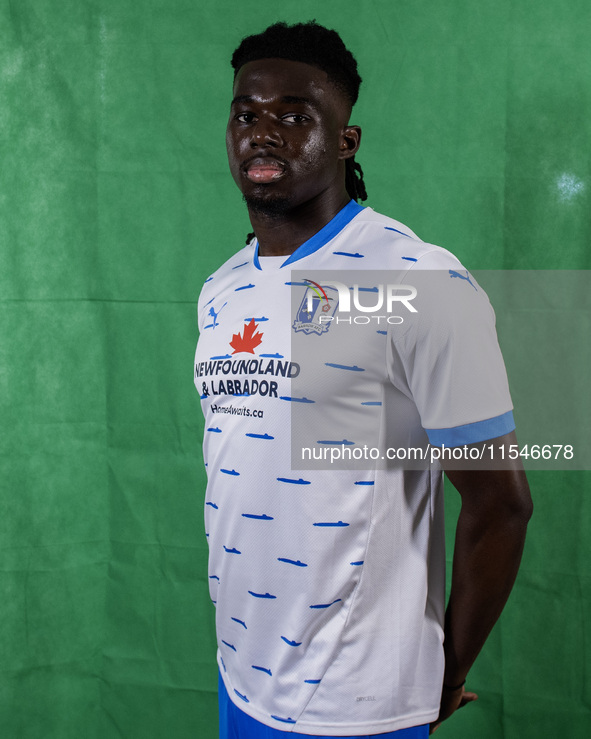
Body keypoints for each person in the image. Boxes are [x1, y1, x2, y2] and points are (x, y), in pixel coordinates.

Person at [194, 21, 532, 739]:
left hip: (355, 705)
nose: (263, 131)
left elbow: (500, 503)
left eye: (294, 115)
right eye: (246, 113)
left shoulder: (417, 281)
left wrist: (440, 672)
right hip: (240, 675)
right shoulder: (222, 289)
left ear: (344, 143)